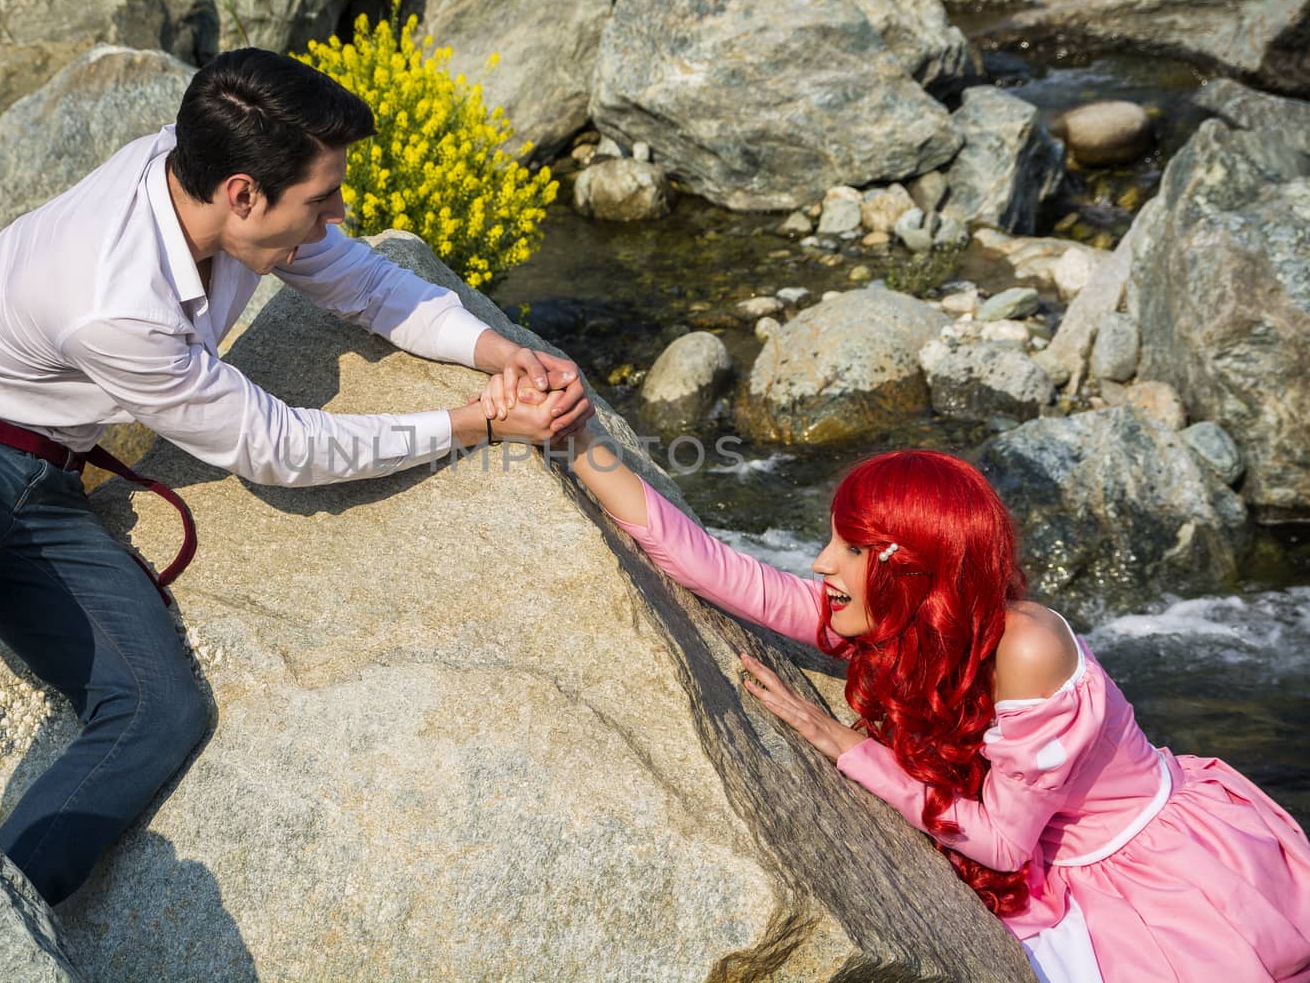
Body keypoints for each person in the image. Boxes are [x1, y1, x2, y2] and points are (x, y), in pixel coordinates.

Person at [0, 48, 593, 906]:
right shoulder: (114, 299)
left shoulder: (203, 175)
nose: (340, 212)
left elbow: (366, 285)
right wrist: (471, 423)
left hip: (42, 483)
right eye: (322, 197)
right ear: (244, 194)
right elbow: (278, 449)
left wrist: (504, 348)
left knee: (158, 709)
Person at [517, 407, 1310, 982]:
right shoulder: (903, 620)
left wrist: (851, 750)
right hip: (1058, 851)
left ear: (909, 567)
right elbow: (724, 571)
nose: (822, 562)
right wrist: (578, 438)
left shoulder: (1028, 647)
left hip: (1150, 870)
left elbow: (1002, 844)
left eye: (850, 547)